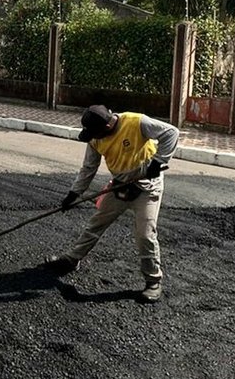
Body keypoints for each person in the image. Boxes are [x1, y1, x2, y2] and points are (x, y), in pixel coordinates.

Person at [42, 104, 179, 303]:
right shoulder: (94, 138)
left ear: (106, 127)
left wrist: (157, 163)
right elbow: (89, 167)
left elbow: (171, 132)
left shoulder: (136, 121)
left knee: (145, 235)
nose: (92, 137)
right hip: (120, 186)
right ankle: (72, 260)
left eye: (95, 133)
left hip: (147, 188)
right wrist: (74, 194)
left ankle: (153, 281)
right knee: (96, 224)